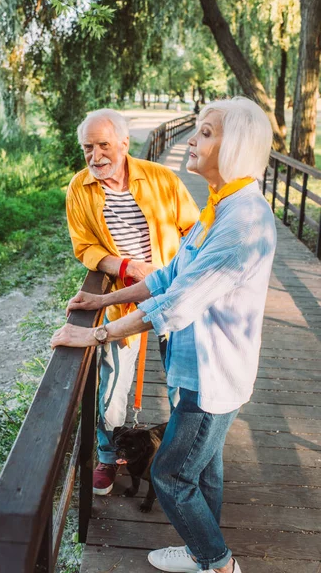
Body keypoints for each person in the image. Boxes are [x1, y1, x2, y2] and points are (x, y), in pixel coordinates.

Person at [51, 97, 277, 573]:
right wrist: (102, 301)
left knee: (170, 474)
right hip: (196, 365)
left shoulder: (240, 222)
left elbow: (174, 303)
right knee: (206, 467)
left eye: (206, 133)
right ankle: (203, 551)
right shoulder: (221, 206)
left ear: (235, 146)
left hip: (213, 376)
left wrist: (95, 337)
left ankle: (216, 563)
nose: (191, 141)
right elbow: (169, 273)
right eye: (195, 130)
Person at [66, 108, 199, 496]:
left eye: (104, 145)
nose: (95, 156)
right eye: (87, 148)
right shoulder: (80, 188)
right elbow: (84, 247)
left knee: (181, 383)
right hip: (124, 300)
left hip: (174, 298)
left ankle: (176, 464)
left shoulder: (161, 179)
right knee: (112, 388)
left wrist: (168, 272)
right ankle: (108, 458)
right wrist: (127, 266)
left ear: (124, 143)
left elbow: (194, 229)